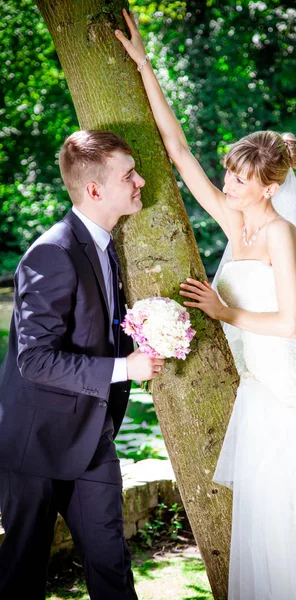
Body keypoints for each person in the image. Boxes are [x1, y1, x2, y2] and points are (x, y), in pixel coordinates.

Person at [115, 10, 296, 600]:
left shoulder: (279, 236)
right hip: (259, 396)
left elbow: (291, 323)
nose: (229, 185)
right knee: (274, 534)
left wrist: (225, 313)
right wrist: (145, 65)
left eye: (241, 179)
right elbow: (177, 148)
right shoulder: (232, 220)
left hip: (293, 398)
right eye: (229, 174)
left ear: (270, 187)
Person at [0, 129, 165, 600]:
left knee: (111, 564)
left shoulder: (107, 246)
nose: (141, 182)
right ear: (94, 190)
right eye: (129, 174)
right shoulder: (51, 252)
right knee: (22, 573)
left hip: (92, 438)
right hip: (33, 447)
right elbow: (34, 359)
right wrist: (124, 369)